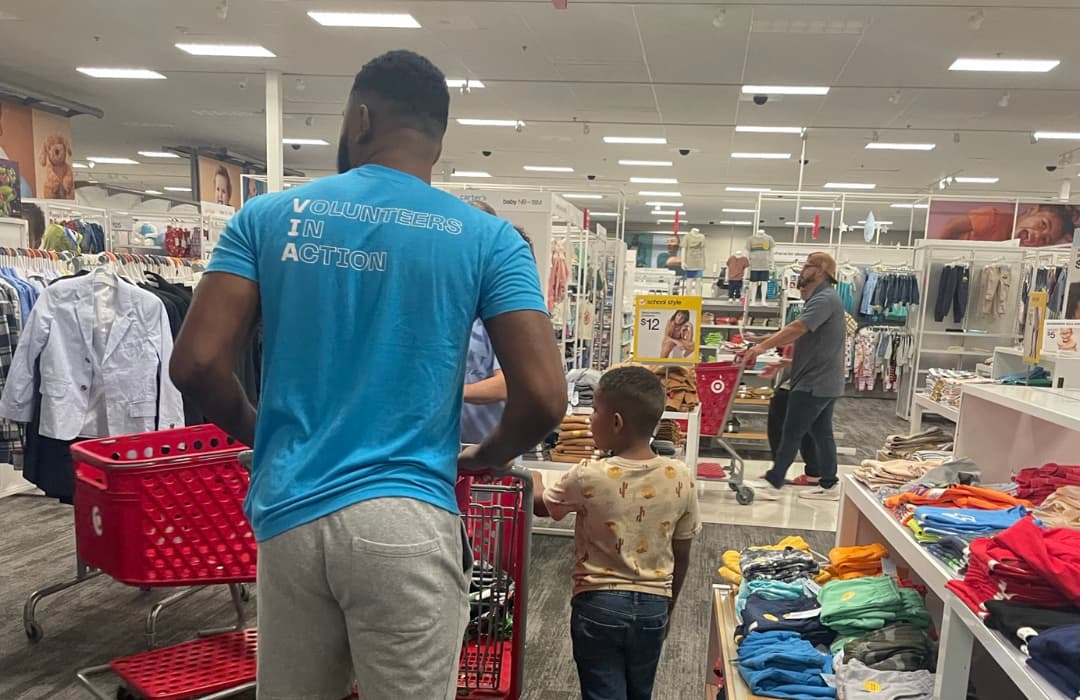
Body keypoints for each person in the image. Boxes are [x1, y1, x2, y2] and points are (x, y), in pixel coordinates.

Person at [170, 50, 566, 700]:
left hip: (292, 514)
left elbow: (196, 362)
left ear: (359, 118)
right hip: (409, 517)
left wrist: (257, 425)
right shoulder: (489, 239)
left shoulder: (267, 217)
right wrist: (484, 456)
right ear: (438, 136)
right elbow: (547, 396)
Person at [532, 366, 701, 700]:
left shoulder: (589, 475)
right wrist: (668, 609)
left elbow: (542, 507)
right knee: (640, 691)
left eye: (594, 410)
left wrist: (534, 477)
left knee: (601, 690)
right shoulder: (680, 476)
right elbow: (682, 554)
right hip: (655, 605)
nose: (589, 418)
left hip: (599, 605)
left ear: (616, 422)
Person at [743, 252, 845, 501]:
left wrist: (761, 347)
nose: (802, 271)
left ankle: (775, 479)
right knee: (822, 432)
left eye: (807, 266)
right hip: (822, 379)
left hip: (814, 381)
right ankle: (829, 483)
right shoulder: (822, 299)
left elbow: (798, 328)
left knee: (792, 431)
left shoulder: (823, 299)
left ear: (820, 271)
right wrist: (767, 344)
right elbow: (807, 336)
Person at [461, 200, 535, 445]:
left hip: (487, 452)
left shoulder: (502, 316)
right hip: (443, 450)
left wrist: (448, 395)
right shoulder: (450, 307)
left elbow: (506, 384)